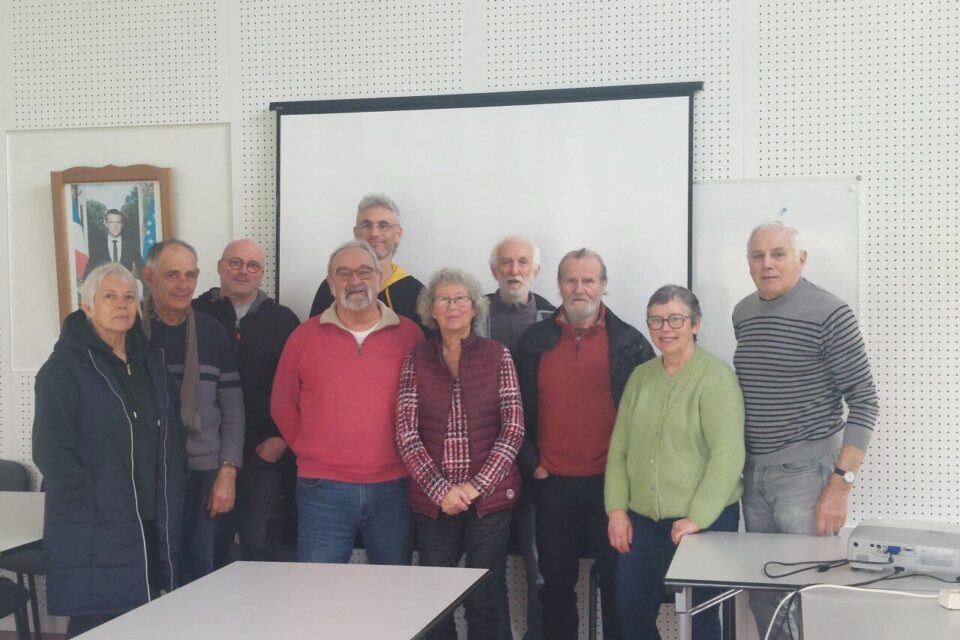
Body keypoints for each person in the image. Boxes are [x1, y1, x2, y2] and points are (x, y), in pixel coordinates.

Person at [733, 221, 879, 639]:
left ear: (801, 258)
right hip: (752, 475)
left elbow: (865, 402)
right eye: (758, 256)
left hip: (807, 477)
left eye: (778, 254)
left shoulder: (830, 313)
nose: (768, 264)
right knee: (764, 591)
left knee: (807, 592)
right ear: (748, 264)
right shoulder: (742, 313)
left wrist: (841, 484)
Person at [32, 263, 186, 638]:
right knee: (97, 624)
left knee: (144, 621)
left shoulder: (149, 362)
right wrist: (98, 495)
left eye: (129, 297)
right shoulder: (64, 368)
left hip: (147, 518)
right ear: (87, 307)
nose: (122, 305)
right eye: (110, 297)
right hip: (96, 524)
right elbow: (50, 452)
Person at [515, 248, 655, 640]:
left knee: (616, 586)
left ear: (603, 286)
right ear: (558, 285)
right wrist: (532, 461)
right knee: (555, 589)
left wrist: (626, 482)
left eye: (589, 280)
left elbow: (647, 423)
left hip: (611, 492)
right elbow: (513, 409)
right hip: (551, 485)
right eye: (571, 280)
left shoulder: (630, 343)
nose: (580, 289)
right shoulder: (532, 342)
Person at [272, 240, 424, 565]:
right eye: (344, 273)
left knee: (393, 592)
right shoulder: (304, 337)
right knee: (318, 592)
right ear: (330, 283)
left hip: (393, 485)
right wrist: (311, 448)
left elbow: (426, 404)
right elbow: (282, 404)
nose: (355, 281)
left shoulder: (409, 335)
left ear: (379, 278)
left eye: (364, 271)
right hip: (322, 487)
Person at [605, 285, 744, 640]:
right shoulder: (640, 378)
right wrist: (617, 510)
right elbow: (619, 449)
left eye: (675, 319)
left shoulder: (716, 378)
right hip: (642, 522)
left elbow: (727, 458)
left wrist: (697, 518)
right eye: (656, 320)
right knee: (632, 614)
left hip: (704, 523)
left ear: (695, 324)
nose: (665, 328)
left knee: (702, 620)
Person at [395, 268, 524, 639]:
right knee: (436, 598)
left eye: (461, 299)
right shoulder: (415, 358)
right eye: (443, 299)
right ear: (430, 310)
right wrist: (442, 491)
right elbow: (406, 433)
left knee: (484, 595)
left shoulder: (498, 355)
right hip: (434, 502)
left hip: (489, 500)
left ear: (474, 308)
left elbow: (513, 429)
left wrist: (474, 488)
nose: (452, 306)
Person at [141, 239, 245, 584]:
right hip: (145, 474)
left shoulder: (213, 332)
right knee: (149, 571)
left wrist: (227, 474)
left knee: (201, 573)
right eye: (172, 275)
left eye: (189, 275)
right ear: (149, 277)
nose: (183, 284)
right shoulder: (129, 332)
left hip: (203, 474)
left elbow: (232, 412)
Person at [193, 239, 301, 563]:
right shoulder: (194, 315)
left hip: (263, 455)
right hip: (206, 455)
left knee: (260, 552)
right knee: (208, 552)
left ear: (262, 273)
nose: (243, 271)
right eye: (235, 262)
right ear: (219, 266)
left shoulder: (284, 321)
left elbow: (304, 388)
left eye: (252, 265)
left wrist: (283, 438)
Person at [478, 235, 555, 640]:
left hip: (537, 463)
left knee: (539, 570)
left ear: (536, 270)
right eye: (505, 262)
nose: (514, 270)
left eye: (522, 262)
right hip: (480, 463)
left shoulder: (554, 320)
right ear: (493, 270)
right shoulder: (471, 314)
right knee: (486, 571)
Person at [308, 193, 426, 329]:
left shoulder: (417, 294)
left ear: (398, 234)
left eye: (383, 225)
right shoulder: (332, 287)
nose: (374, 233)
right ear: (356, 234)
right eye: (366, 225)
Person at [84, 208, 144, 278]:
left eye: (118, 222)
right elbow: (88, 275)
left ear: (122, 224)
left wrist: (146, 288)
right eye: (111, 222)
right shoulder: (97, 247)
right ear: (106, 224)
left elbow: (143, 271)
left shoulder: (131, 246)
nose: (115, 226)